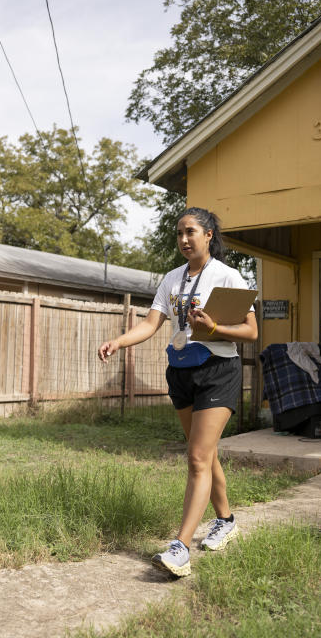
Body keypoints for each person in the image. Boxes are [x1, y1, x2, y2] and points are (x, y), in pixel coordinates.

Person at [97, 207, 257, 577]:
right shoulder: (171, 279)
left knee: (197, 457)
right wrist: (119, 341)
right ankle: (227, 520)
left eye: (191, 232)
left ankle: (180, 548)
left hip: (218, 371)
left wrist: (215, 327)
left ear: (208, 236)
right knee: (204, 453)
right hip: (182, 370)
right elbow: (152, 324)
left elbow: (250, 332)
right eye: (179, 234)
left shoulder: (228, 276)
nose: (184, 240)